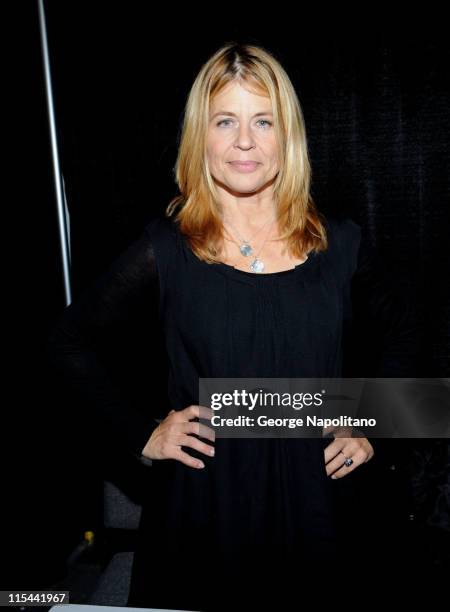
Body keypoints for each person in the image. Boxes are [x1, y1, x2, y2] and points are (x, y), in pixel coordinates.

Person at [46, 43, 420, 610]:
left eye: (262, 121)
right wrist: (143, 435)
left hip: (321, 509)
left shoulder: (340, 243)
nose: (245, 141)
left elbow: (407, 333)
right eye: (226, 121)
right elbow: (68, 342)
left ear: (285, 136)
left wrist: (370, 426)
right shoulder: (166, 249)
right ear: (202, 137)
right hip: (204, 514)